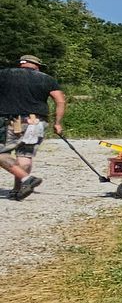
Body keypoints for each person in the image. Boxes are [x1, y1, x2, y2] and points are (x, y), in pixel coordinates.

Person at [0, 55, 66, 202]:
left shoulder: (4, 74)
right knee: (25, 155)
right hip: (37, 122)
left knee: (1, 154)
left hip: (12, 120)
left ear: (20, 64)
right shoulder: (46, 78)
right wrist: (58, 123)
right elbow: (60, 100)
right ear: (36, 65)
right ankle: (18, 190)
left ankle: (27, 179)